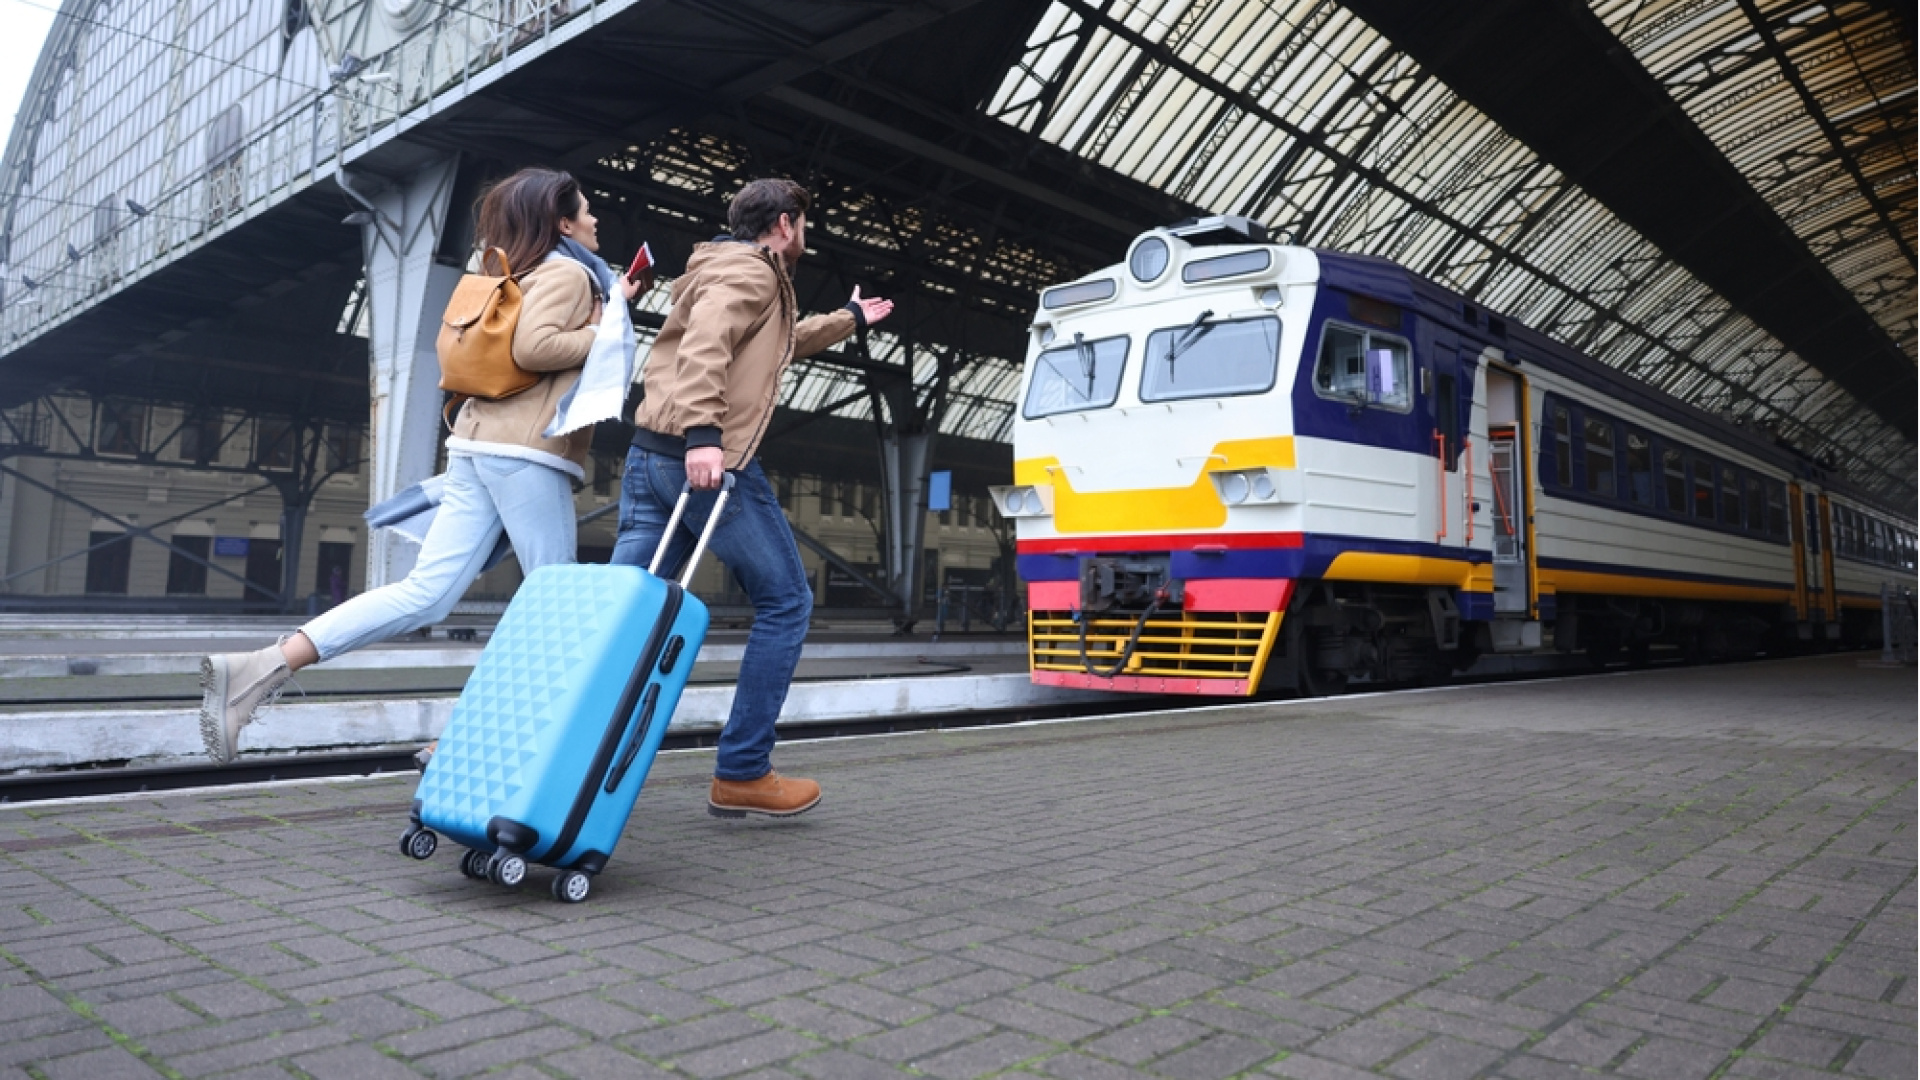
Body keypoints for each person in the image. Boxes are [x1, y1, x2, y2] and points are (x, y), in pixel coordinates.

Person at [198, 167, 647, 764]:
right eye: (586, 212)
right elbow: (533, 348)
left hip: (473, 446)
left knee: (425, 595)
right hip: (525, 453)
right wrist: (607, 326)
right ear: (562, 222)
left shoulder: (513, 271)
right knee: (552, 600)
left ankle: (263, 666)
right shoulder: (568, 274)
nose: (594, 222)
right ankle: (472, 735)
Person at [613, 178, 892, 819]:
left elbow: (776, 347)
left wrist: (849, 319)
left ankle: (545, 735)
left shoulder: (718, 267)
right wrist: (706, 438)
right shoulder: (754, 272)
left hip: (648, 461)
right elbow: (709, 342)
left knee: (620, 613)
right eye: (805, 226)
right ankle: (742, 769)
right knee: (787, 601)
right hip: (707, 467)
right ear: (787, 225)